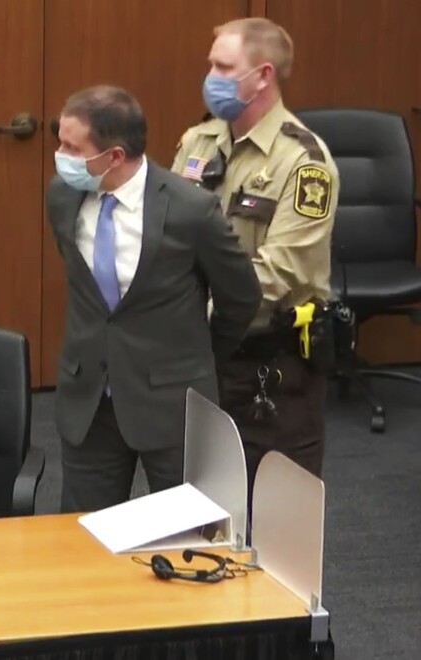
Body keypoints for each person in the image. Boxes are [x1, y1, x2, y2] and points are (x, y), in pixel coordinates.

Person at [48, 85, 261, 513]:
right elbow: (88, 290)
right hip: (88, 401)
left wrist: (198, 358)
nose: (60, 155)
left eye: (72, 147)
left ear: (114, 157)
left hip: (171, 403)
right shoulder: (62, 195)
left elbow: (241, 296)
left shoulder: (190, 210)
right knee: (80, 544)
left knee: (185, 539)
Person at [172, 18, 339, 497]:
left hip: (273, 369)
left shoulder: (304, 162)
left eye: (223, 67)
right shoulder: (197, 143)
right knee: (205, 509)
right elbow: (168, 237)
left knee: (278, 522)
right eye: (211, 64)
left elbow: (280, 270)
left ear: (262, 75)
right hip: (204, 360)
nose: (210, 76)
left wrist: (190, 314)